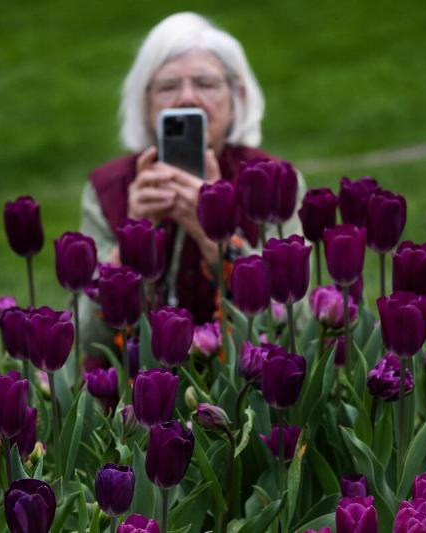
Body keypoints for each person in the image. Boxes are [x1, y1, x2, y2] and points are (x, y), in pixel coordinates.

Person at [79, 12, 306, 355]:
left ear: (236, 99)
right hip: (138, 396)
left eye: (205, 84)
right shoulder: (110, 187)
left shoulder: (271, 180)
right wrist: (134, 235)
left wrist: (216, 236)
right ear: (145, 103)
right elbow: (87, 341)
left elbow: (297, 327)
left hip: (248, 386)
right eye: (168, 86)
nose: (186, 98)